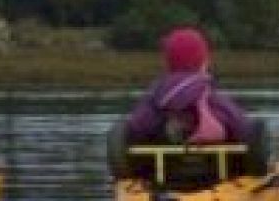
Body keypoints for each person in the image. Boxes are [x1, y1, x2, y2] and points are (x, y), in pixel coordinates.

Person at [112, 27, 268, 182]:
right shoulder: (213, 96)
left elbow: (133, 131)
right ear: (204, 62)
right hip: (214, 175)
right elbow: (245, 130)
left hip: (166, 176)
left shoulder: (155, 98)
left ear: (167, 63)